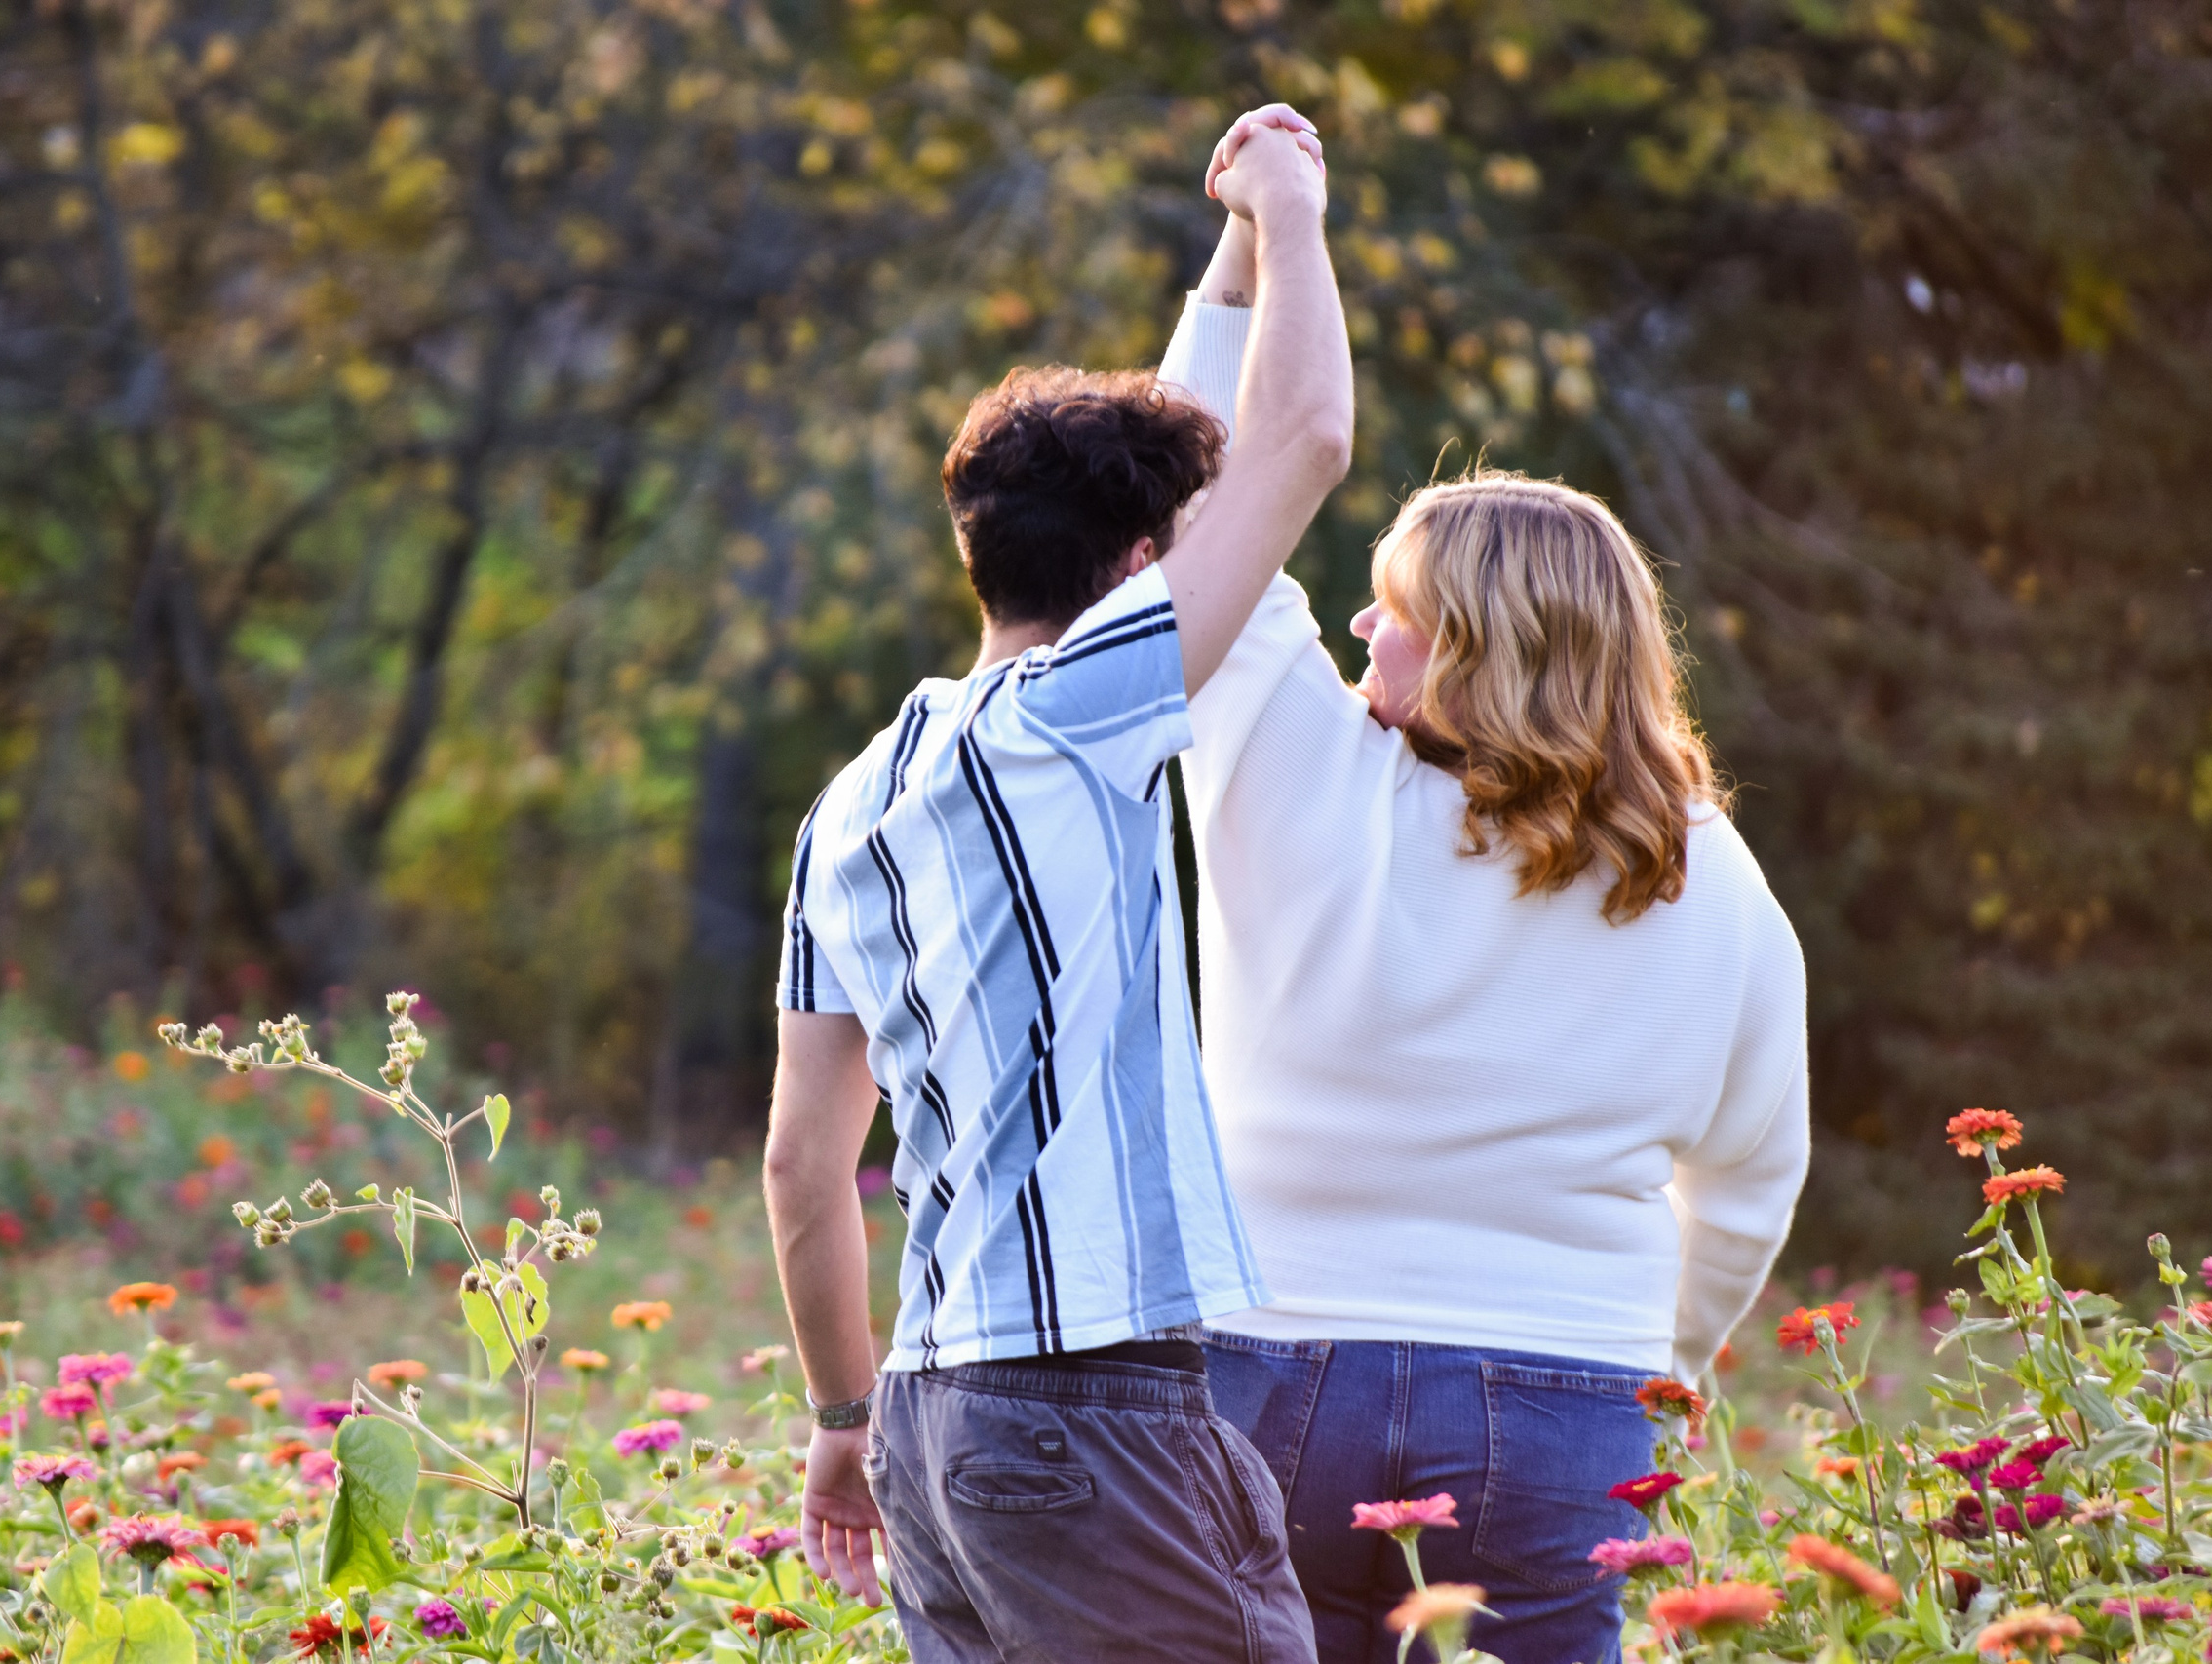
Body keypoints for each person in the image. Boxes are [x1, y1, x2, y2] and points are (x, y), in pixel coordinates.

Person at [1155, 174, 1811, 1664]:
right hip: (1568, 1398)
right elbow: (1757, 1180)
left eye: (1397, 606)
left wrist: (1256, 247)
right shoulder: (1712, 876)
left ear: (1478, 645)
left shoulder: (1281, 756)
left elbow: (1193, 489)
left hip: (1273, 1388)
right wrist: (1665, 1381)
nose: (1359, 624)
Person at [760, 108, 1349, 1663]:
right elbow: (1307, 446)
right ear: (1143, 566)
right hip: (1096, 1404)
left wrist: (839, 1412)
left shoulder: (851, 805)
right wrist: (1292, 211)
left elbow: (801, 1168)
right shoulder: (1079, 722)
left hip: (934, 1428)